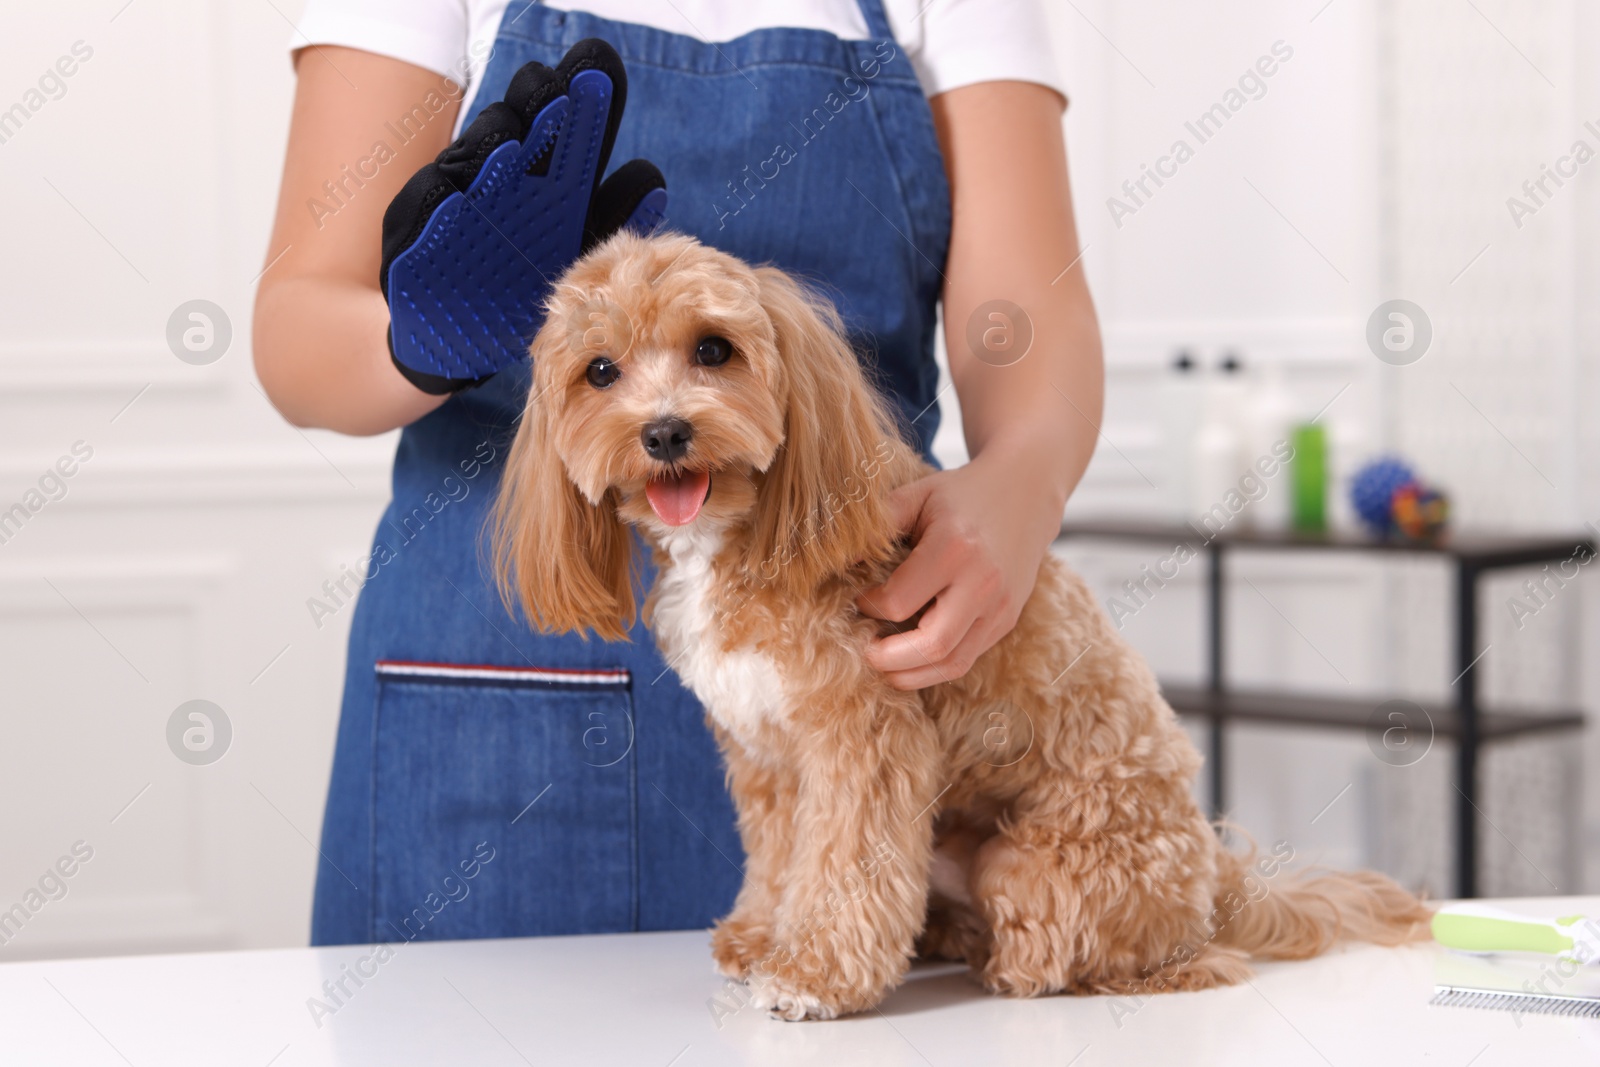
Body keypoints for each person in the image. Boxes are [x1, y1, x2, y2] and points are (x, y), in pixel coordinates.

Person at [254, 0, 1102, 946]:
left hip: (856, 649)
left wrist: (1025, 478)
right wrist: (423, 337)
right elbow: (295, 336)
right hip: (489, 693)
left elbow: (1029, 314)